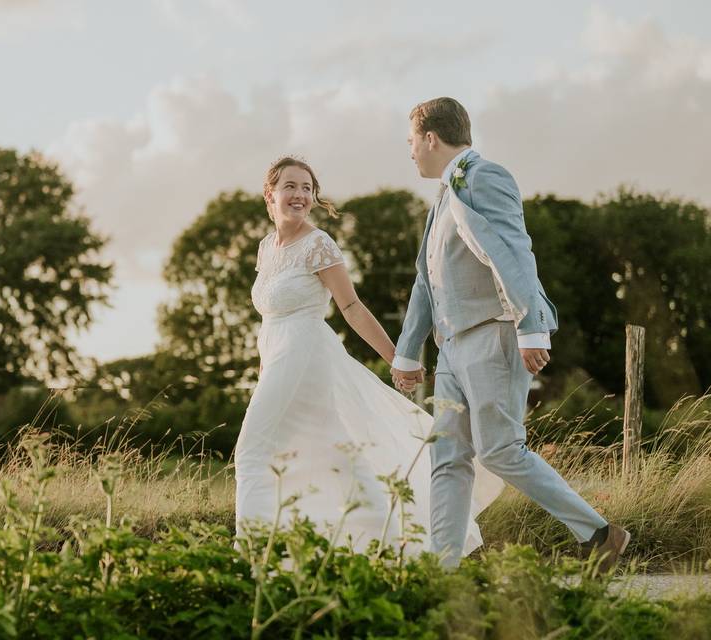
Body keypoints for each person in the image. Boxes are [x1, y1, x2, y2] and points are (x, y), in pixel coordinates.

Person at [391, 97, 630, 570]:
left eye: (411, 142)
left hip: (493, 334)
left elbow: (514, 251)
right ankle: (443, 568)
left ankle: (599, 534)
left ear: (431, 138)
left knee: (500, 450)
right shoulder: (441, 198)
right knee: (449, 459)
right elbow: (426, 279)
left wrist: (530, 325)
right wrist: (407, 351)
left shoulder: (486, 176)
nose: (411, 152)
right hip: (451, 347)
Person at [234, 156, 504, 555]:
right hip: (277, 363)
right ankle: (340, 548)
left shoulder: (318, 244)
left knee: (252, 448)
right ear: (269, 194)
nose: (301, 195)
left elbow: (352, 308)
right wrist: (263, 373)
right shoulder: (265, 249)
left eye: (308, 188)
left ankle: (253, 555)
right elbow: (270, 321)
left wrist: (399, 358)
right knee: (320, 454)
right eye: (291, 186)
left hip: (308, 357)